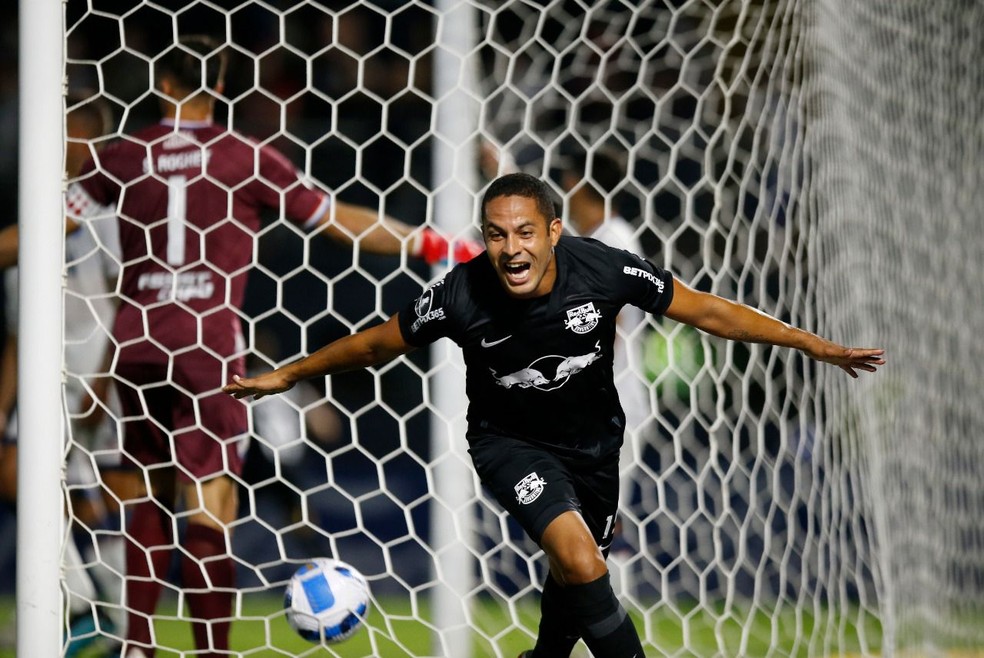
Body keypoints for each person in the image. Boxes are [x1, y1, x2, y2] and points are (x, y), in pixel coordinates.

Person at [223, 172, 885, 657]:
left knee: (573, 570)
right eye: (496, 235)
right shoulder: (461, 293)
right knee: (583, 560)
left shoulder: (602, 269)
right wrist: (291, 373)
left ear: (554, 233)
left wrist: (813, 345)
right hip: (509, 444)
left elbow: (708, 310)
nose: (511, 249)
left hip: (596, 446)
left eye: (524, 233)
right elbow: (374, 343)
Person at [10, 35, 479, 658]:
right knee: (211, 501)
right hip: (206, 344)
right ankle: (210, 652)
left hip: (138, 341)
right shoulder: (245, 157)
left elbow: (45, 227)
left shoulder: (123, 156)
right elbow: (336, 218)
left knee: (147, 490)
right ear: (222, 86)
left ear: (163, 86)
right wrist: (429, 243)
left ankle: (138, 646)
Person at [0, 91, 127, 657]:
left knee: (107, 500)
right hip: (45, 384)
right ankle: (79, 602)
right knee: (11, 468)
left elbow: (128, 307)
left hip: (102, 378)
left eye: (73, 135)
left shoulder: (105, 218)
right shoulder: (30, 221)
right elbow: (17, 330)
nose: (62, 146)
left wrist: (104, 383)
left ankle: (120, 619)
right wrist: (2, 406)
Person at [558, 147, 652, 596]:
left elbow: (608, 320)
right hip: (595, 402)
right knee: (583, 519)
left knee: (598, 520)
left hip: (612, 402)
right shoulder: (599, 238)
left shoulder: (615, 240)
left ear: (578, 185)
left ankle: (611, 622)